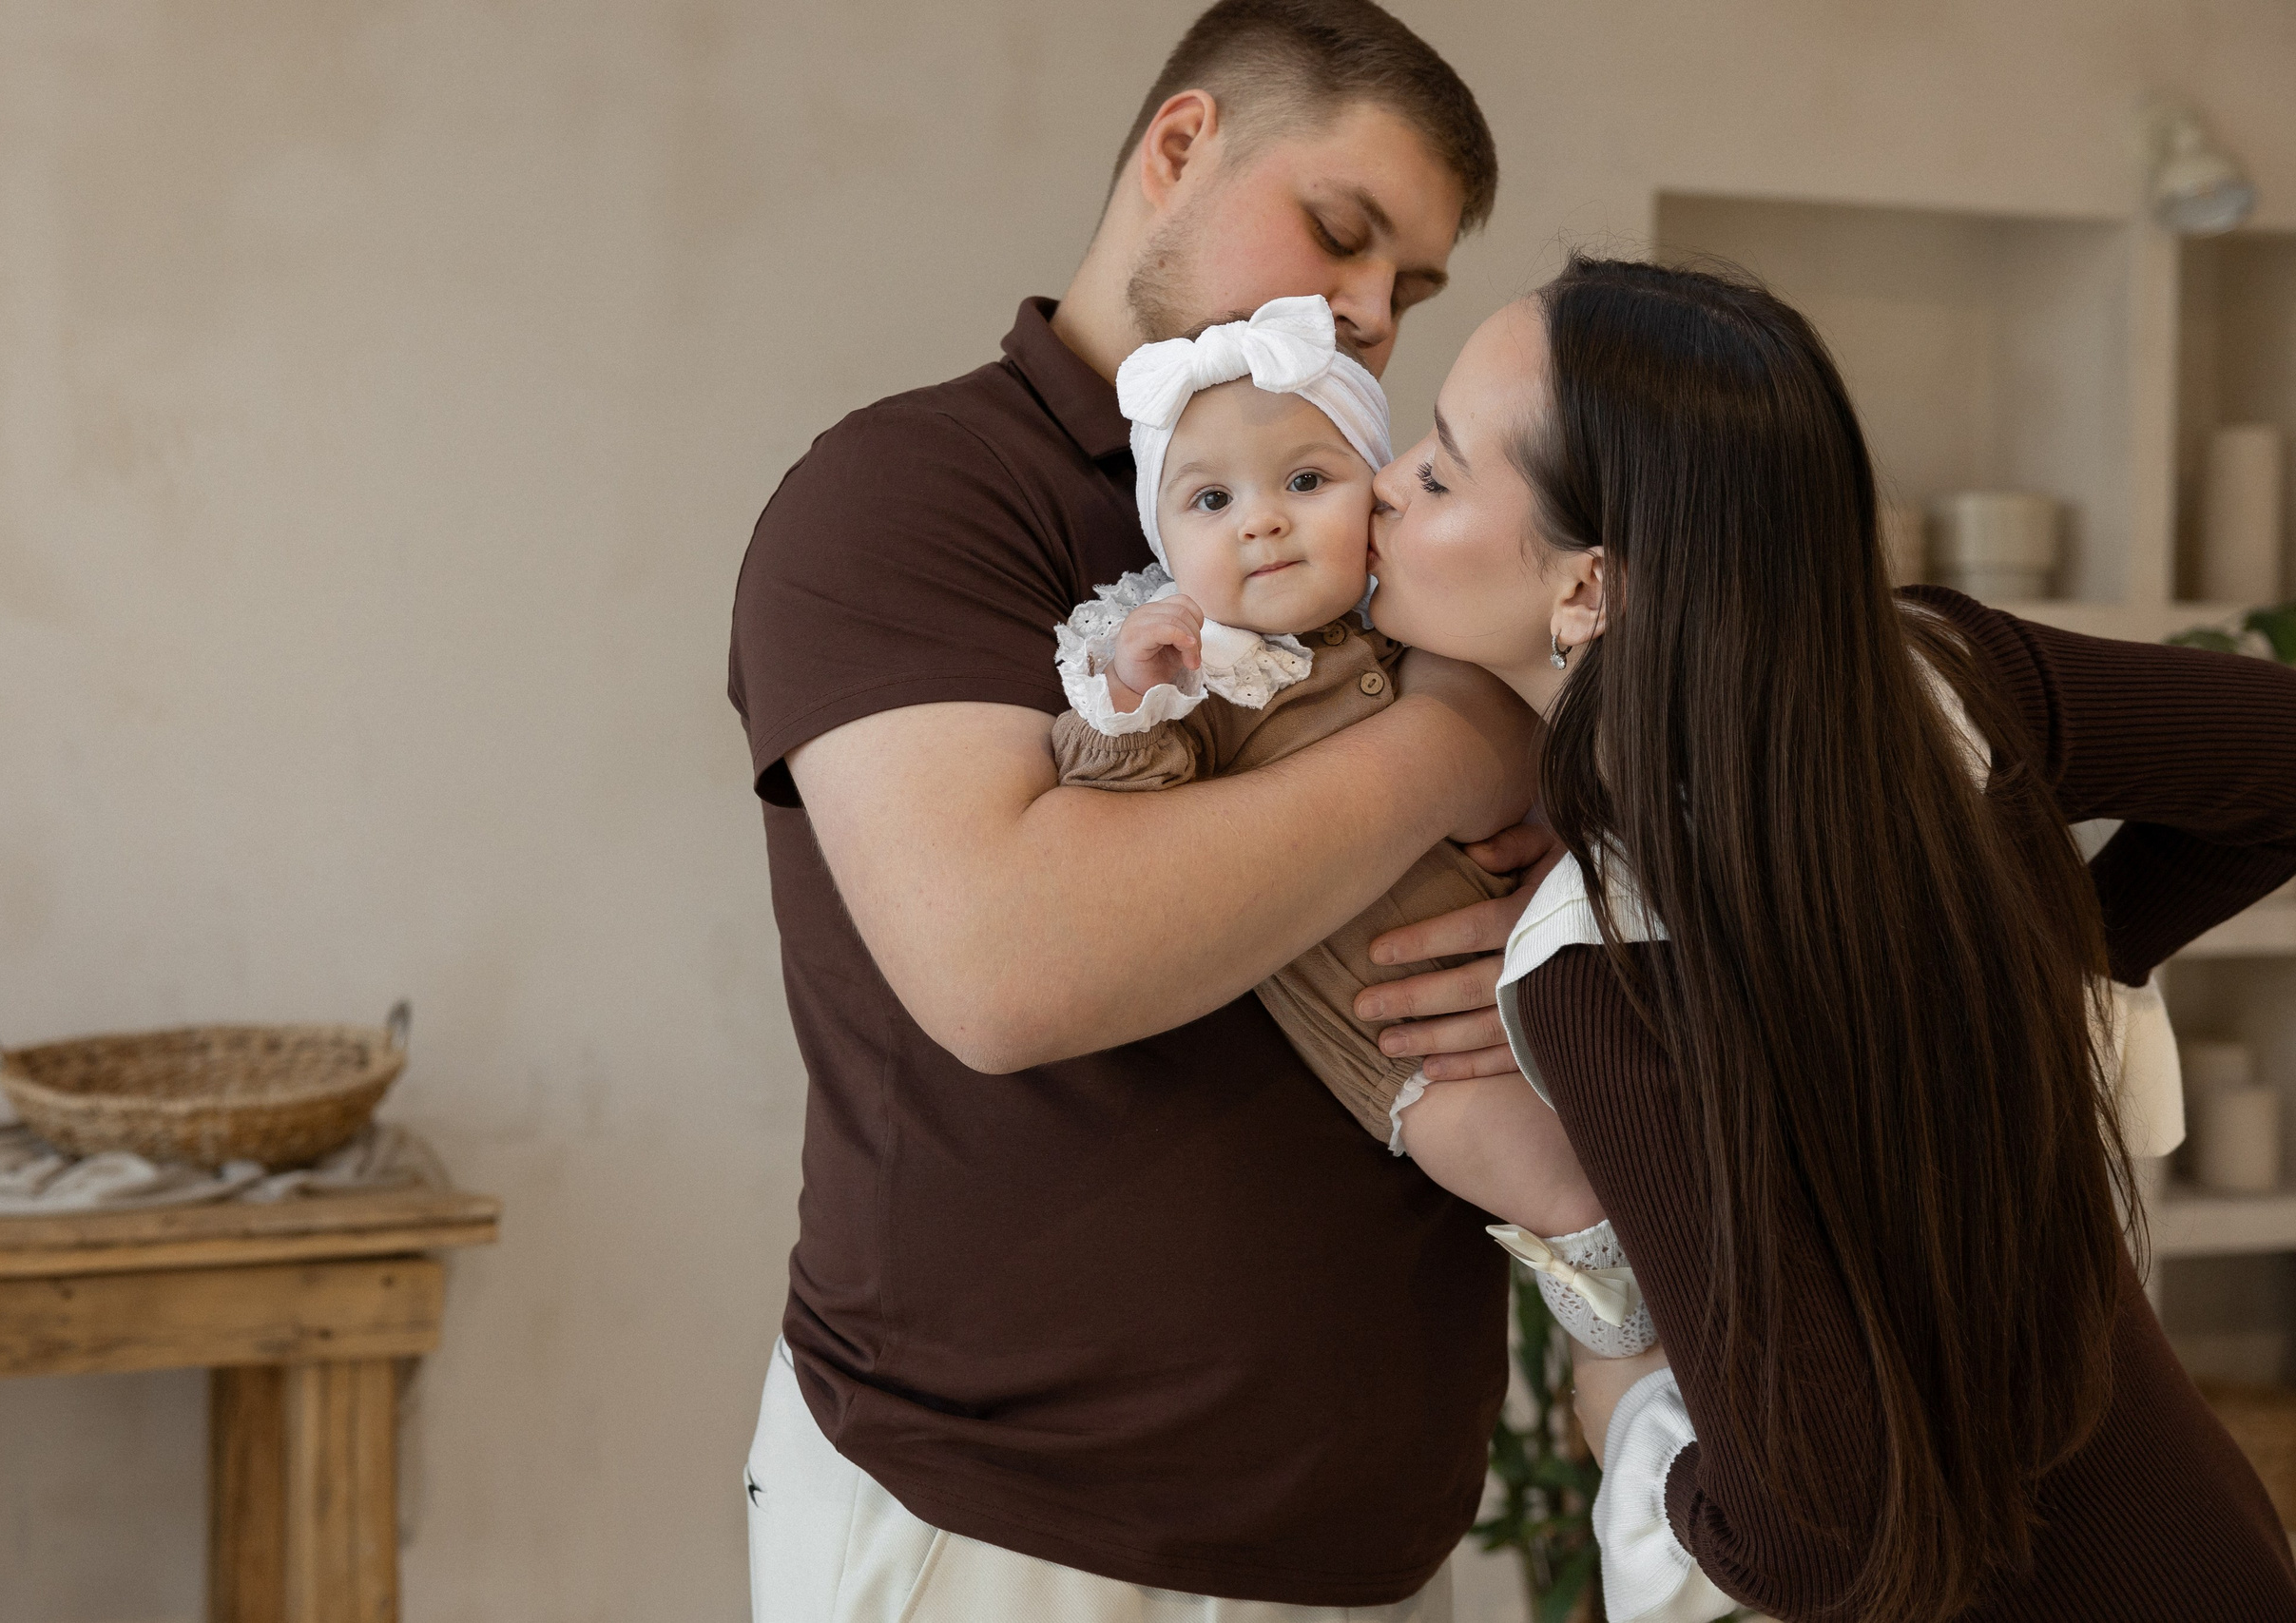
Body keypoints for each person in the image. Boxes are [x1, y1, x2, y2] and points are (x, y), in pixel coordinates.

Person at [726, 3, 1546, 1617]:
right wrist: (1455, 744)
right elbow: (1014, 961)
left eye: (1414, 287)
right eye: (1341, 231)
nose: (1374, 310)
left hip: (1378, 1538)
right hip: (1021, 1535)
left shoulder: (1376, 529)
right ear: (1180, 149)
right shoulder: (918, 492)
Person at [1362, 252, 2296, 1622]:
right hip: (2199, 1555)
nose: (1383, 480)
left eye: (1440, 473)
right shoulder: (1935, 686)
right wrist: (2053, 957)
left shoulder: (1601, 960)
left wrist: (1623, 1402)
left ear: (1589, 590)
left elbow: (1811, 1530)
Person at [1052, 294, 1637, 1351]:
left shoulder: (1415, 623)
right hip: (1404, 1039)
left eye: (1307, 483)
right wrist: (1132, 692)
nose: (1261, 521)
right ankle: (1630, 1327)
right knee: (1552, 1177)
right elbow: (1111, 815)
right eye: (1211, 501)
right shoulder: (1198, 673)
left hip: (1532, 978)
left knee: (1641, 1131)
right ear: (1163, 541)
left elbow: (1555, 738)